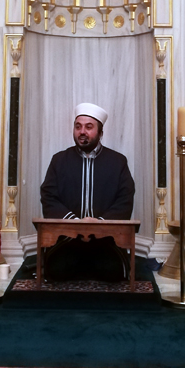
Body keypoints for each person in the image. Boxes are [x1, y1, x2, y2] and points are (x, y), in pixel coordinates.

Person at [40, 103, 135, 282]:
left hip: (105, 240)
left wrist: (98, 225)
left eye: (89, 127)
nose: (82, 132)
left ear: (100, 132)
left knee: (112, 272)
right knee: (56, 271)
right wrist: (76, 224)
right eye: (78, 127)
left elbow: (125, 200)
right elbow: (48, 197)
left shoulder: (118, 162)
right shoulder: (59, 160)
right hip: (67, 239)